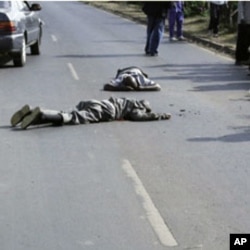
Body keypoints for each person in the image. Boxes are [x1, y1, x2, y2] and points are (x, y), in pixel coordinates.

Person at [10, 97, 171, 130]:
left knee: (68, 112)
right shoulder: (136, 109)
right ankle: (42, 115)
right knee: (73, 118)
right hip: (105, 110)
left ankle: (34, 113)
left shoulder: (127, 100)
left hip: (95, 102)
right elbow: (140, 117)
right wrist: (160, 116)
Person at [235, 1, 250, 65]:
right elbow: (241, 4)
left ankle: (246, 58)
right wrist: (242, 17)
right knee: (242, 41)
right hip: (245, 21)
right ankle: (240, 59)